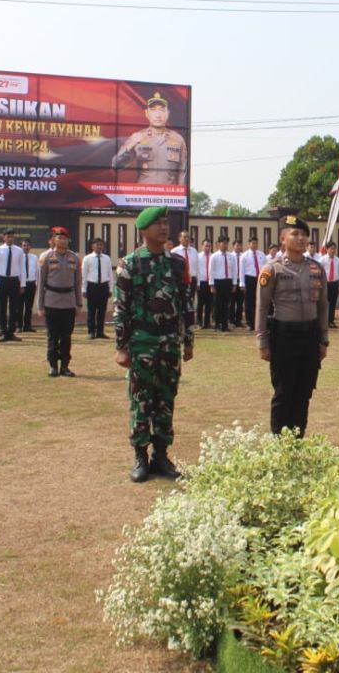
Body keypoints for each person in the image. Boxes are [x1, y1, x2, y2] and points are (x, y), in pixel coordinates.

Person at [115, 206, 195, 482]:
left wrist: (188, 341)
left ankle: (160, 456)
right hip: (141, 344)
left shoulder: (177, 263)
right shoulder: (131, 264)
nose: (164, 227)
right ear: (144, 229)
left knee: (166, 400)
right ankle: (140, 456)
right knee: (140, 401)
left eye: (166, 223)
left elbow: (186, 302)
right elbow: (121, 309)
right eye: (158, 223)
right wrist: (121, 347)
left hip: (170, 343)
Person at [256, 215, 329, 436]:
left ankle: (297, 439)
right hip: (283, 337)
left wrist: (323, 339)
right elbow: (261, 306)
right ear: (283, 239)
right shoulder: (273, 270)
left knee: (304, 390)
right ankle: (279, 441)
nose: (301, 238)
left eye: (304, 235)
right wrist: (262, 341)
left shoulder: (316, 268)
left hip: (310, 336)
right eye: (295, 234)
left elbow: (324, 306)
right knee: (283, 391)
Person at [111, 92, 188, 184]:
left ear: (168, 113)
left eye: (162, 110)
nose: (158, 115)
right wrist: (129, 147)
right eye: (153, 110)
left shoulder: (178, 139)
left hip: (168, 196)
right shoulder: (137, 137)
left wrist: (179, 196)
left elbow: (182, 173)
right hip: (143, 195)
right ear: (147, 113)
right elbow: (116, 166)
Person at [39, 226, 84, 377]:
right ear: (53, 239)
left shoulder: (75, 258)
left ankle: (65, 366)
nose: (63, 240)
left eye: (65, 238)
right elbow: (41, 283)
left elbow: (78, 282)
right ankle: (53, 365)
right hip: (51, 301)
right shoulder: (46, 257)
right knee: (52, 335)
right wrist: (40, 306)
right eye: (59, 238)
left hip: (69, 302)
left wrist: (79, 304)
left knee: (66, 336)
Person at [0, 229, 25, 342]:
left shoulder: (19, 250)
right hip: (2, 280)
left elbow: (22, 268)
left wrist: (22, 284)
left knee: (14, 307)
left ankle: (11, 332)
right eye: (8, 236)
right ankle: (4, 332)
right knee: (2, 307)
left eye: (12, 236)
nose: (10, 238)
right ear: (3, 237)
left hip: (14, 280)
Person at [83, 237, 113, 339]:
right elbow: (84, 275)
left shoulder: (107, 258)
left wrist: (110, 288)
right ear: (92, 246)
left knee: (102, 310)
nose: (99, 246)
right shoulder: (87, 258)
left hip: (103, 286)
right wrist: (84, 289)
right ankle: (91, 332)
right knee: (91, 311)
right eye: (97, 244)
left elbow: (110, 274)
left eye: (101, 244)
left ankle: (100, 332)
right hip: (92, 286)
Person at [209, 236, 238, 332]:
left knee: (227, 305)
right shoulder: (214, 256)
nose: (225, 245)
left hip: (228, 282)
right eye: (223, 243)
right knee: (218, 304)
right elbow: (211, 271)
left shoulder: (231, 256)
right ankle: (217, 324)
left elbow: (234, 271)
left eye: (226, 243)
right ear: (218, 244)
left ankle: (225, 325)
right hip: (218, 282)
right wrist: (212, 285)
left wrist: (234, 284)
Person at [240, 236, 267, 332]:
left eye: (256, 243)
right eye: (252, 243)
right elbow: (241, 270)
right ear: (249, 244)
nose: (254, 245)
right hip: (249, 278)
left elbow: (265, 269)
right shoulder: (244, 255)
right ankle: (249, 323)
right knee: (249, 302)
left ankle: (258, 322)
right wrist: (242, 284)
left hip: (259, 278)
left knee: (258, 301)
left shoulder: (262, 254)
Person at [172, 230, 201, 312]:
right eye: (185, 237)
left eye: (188, 237)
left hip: (192, 279)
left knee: (190, 301)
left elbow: (197, 267)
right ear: (179, 239)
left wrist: (198, 282)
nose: (187, 239)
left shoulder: (194, 251)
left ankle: (189, 321)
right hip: (180, 280)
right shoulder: (174, 251)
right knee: (181, 300)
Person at [319, 242, 339, 328]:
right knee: (325, 304)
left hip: (335, 284)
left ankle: (331, 321)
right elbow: (319, 273)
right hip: (325, 284)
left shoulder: (338, 260)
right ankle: (324, 321)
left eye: (334, 248)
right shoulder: (322, 260)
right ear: (327, 249)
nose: (333, 250)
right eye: (331, 248)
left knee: (333, 304)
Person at [20, 239, 38, 332]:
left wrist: (37, 283)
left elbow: (37, 271)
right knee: (19, 306)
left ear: (30, 247)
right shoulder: (18, 257)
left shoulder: (34, 257)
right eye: (24, 245)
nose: (26, 247)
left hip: (31, 284)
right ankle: (19, 326)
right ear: (21, 246)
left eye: (27, 245)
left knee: (28, 306)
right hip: (21, 285)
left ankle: (27, 326)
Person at [195, 238, 214, 329]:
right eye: (206, 246)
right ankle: (199, 322)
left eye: (209, 246)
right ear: (202, 246)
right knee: (200, 304)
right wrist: (197, 283)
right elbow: (196, 270)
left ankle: (207, 323)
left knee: (209, 304)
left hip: (210, 283)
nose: (208, 248)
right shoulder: (198, 256)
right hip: (201, 283)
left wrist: (213, 283)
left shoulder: (213, 256)